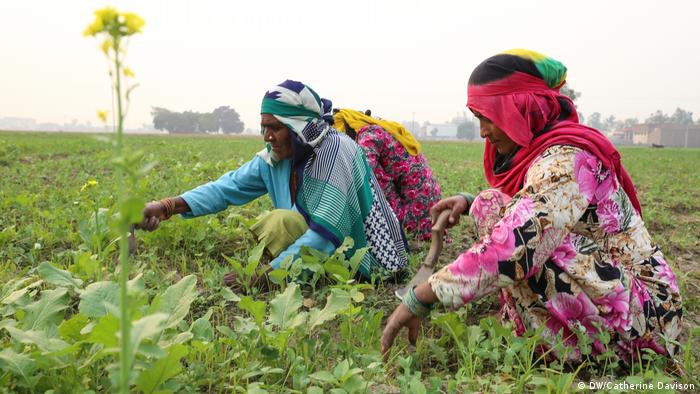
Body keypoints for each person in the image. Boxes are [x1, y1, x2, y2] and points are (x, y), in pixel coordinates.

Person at [381, 49, 682, 362]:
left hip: (646, 318)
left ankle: (568, 347)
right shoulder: (547, 152)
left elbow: (514, 248)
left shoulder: (567, 161)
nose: (483, 131)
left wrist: (422, 296)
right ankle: (534, 328)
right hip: (611, 286)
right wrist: (470, 202)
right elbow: (528, 207)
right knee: (489, 204)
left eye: (487, 117)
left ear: (518, 109)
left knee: (521, 249)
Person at [140, 80, 408, 285]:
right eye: (264, 127)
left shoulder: (335, 151)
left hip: (368, 256)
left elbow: (325, 234)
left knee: (282, 222)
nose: (267, 136)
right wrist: (165, 207)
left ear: (298, 127)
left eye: (275, 128)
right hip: (327, 242)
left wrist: (265, 276)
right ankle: (300, 268)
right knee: (279, 221)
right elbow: (226, 188)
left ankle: (303, 271)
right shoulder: (276, 158)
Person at [333, 109, 442, 242]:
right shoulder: (379, 127)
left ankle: (396, 227)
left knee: (370, 175)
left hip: (417, 207)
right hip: (431, 201)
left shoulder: (369, 136)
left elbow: (360, 171)